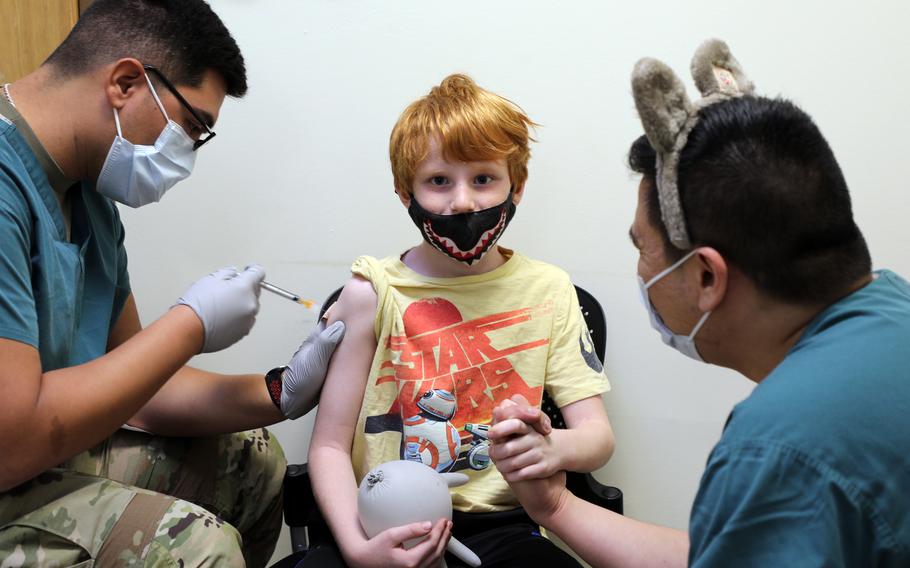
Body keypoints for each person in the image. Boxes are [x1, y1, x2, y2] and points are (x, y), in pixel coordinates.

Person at [489, 40, 910, 567]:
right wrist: (554, 505)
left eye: (642, 247)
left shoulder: (778, 451)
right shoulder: (893, 310)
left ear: (707, 274)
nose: (642, 273)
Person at [0, 1, 344, 566]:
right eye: (192, 128)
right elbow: (11, 445)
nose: (187, 155)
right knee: (195, 544)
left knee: (254, 465)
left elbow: (142, 391)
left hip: (34, 456)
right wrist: (190, 324)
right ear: (126, 82)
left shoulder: (88, 203)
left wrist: (282, 390)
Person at [307, 74, 615, 567]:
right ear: (403, 191)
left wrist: (552, 448)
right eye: (438, 181)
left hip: (502, 527)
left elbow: (597, 438)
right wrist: (359, 549)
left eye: (484, 179)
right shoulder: (370, 291)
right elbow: (327, 447)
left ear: (518, 184)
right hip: (379, 522)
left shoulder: (550, 291)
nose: (464, 203)